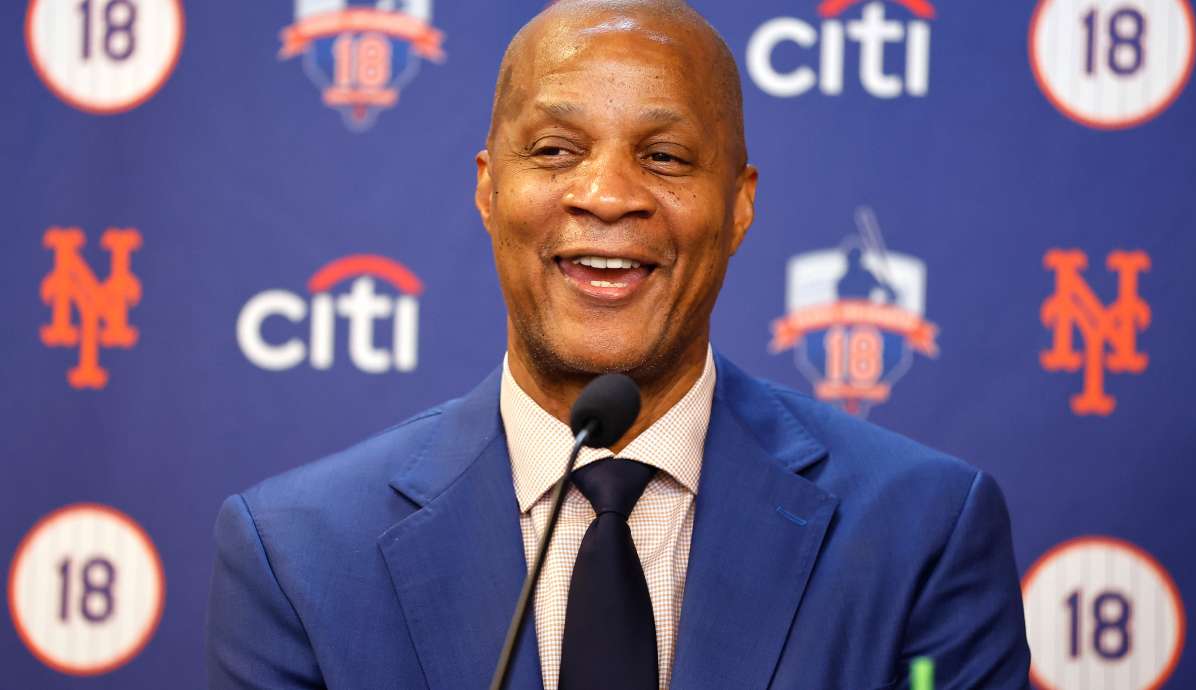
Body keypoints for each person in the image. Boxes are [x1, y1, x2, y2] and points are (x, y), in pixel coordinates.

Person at [205, 1, 1031, 688]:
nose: (605, 194)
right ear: (489, 187)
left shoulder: (921, 531)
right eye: (556, 151)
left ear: (740, 205)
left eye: (664, 156)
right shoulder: (298, 554)